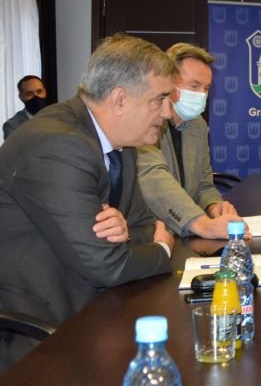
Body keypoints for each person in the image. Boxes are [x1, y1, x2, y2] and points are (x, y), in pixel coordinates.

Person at [0, 35, 175, 370]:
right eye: (160, 99)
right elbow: (108, 264)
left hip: (98, 307)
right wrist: (163, 249)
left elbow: (143, 225)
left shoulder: (120, 141)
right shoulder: (58, 144)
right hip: (40, 332)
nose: (168, 112)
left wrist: (126, 234)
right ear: (120, 99)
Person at [137, 43, 244, 239]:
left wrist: (214, 206)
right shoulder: (147, 120)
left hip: (187, 235)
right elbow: (154, 179)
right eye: (194, 86)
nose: (201, 94)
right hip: (152, 233)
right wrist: (202, 224)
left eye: (206, 88)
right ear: (169, 83)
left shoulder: (198, 125)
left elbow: (204, 184)